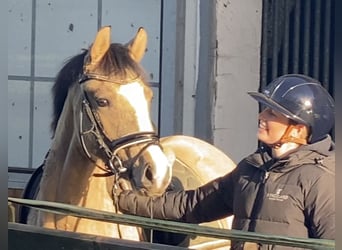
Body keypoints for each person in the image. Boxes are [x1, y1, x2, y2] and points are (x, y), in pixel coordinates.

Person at [118, 74, 335, 249]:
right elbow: (191, 205)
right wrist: (124, 200)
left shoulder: (322, 179)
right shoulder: (251, 169)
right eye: (264, 109)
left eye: (273, 113)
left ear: (298, 128)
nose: (261, 117)